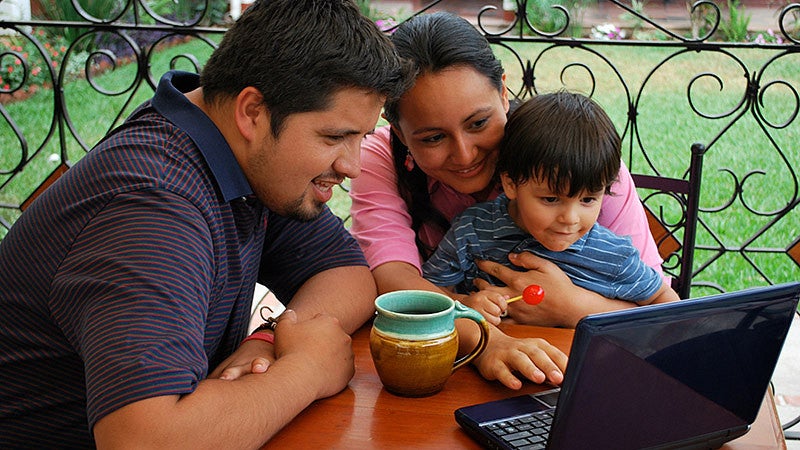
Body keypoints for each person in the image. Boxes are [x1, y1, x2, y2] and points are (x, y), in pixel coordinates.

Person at [0, 1, 406, 448]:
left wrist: (274, 339)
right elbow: (144, 441)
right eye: (334, 137)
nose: (353, 166)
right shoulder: (153, 208)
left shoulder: (244, 161)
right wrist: (305, 371)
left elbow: (347, 273)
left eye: (362, 137)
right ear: (252, 111)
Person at [348, 12, 662, 390]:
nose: (464, 155)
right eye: (433, 138)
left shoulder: (570, 159)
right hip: (454, 370)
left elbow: (660, 308)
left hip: (589, 373)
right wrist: (487, 341)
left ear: (503, 93)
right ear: (398, 131)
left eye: (478, 123)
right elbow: (395, 279)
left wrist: (571, 305)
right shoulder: (381, 158)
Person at [422, 91, 679, 325]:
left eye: (588, 199)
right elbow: (429, 292)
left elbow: (667, 306)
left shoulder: (613, 256)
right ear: (510, 183)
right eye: (551, 199)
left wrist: (577, 311)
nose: (570, 218)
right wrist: (466, 305)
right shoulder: (473, 230)